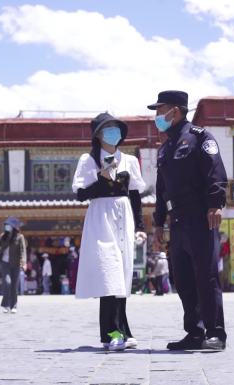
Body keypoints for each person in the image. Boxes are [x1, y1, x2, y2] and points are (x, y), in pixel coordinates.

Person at [150, 90, 228, 351]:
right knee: (182, 278)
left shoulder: (199, 137)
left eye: (161, 110)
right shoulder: (165, 148)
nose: (158, 116)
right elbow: (162, 189)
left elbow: (215, 171)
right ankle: (194, 332)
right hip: (177, 221)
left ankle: (216, 333)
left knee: (205, 276)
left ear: (176, 110)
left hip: (201, 217)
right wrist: (158, 222)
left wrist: (216, 204)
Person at [72, 112, 147, 351]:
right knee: (109, 274)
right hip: (100, 218)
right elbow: (81, 194)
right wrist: (100, 179)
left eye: (117, 128)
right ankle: (111, 333)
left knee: (122, 276)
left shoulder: (129, 161)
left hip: (123, 218)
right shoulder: (88, 160)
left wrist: (141, 226)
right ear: (98, 134)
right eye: (108, 128)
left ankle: (123, 331)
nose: (114, 132)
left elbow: (135, 195)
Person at [0, 217, 27, 313]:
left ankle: (14, 305)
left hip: (15, 264)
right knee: (7, 283)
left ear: (14, 227)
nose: (7, 227)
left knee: (14, 285)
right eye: (6, 225)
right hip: (4, 263)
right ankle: (6, 304)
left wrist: (23, 263)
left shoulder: (20, 237)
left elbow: (23, 251)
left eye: (9, 225)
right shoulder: (4, 235)